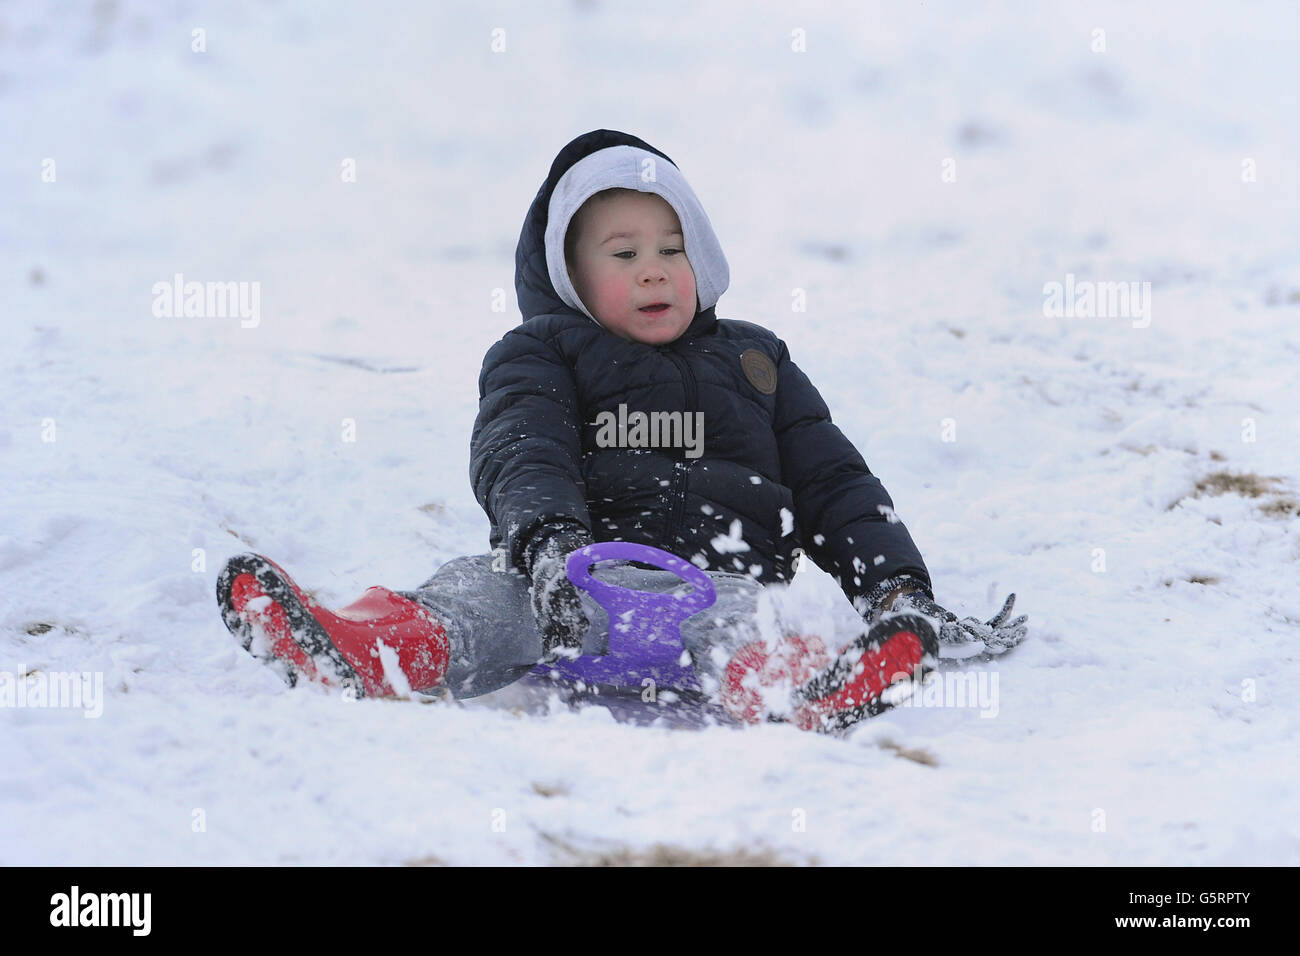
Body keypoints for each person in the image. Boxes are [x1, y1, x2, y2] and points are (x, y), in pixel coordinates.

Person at [216, 129, 1027, 731]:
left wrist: (896, 591)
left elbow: (835, 483)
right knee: (473, 598)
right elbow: (520, 448)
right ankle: (365, 645)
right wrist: (548, 552)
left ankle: (809, 687)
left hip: (716, 586)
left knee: (757, 632)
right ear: (570, 274)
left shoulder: (756, 361)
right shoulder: (541, 352)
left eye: (672, 248)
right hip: (566, 584)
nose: (653, 268)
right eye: (624, 252)